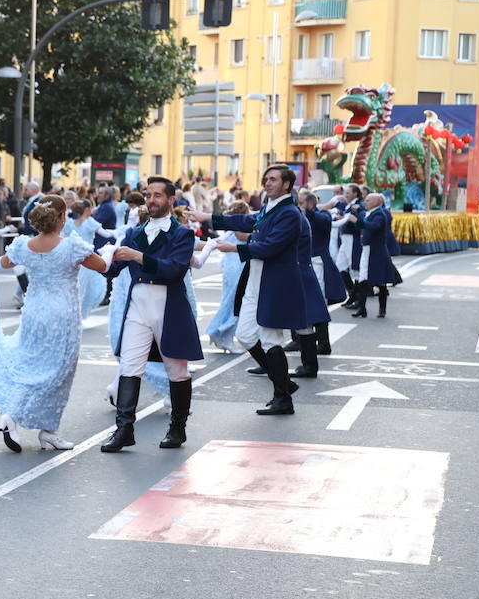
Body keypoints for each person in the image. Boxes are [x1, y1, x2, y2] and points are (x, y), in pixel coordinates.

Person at [0, 195, 107, 451]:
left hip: (34, 312)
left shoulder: (24, 245)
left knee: (30, 365)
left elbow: (1, 263)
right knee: (60, 371)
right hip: (62, 314)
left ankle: (25, 419)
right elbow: (102, 266)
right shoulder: (71, 246)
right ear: (62, 218)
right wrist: (112, 251)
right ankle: (41, 426)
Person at [193, 165, 328, 415]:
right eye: (266, 179)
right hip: (257, 280)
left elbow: (271, 247)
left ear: (287, 184)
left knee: (270, 338)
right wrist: (209, 218)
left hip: (274, 283)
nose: (267, 183)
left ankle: (282, 397)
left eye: (273, 179)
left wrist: (234, 248)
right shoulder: (271, 208)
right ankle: (284, 382)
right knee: (245, 335)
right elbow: (247, 219)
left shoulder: (290, 213)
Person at [100, 178, 201, 451]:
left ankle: (177, 428)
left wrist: (137, 256)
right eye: (148, 195)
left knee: (177, 370)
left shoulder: (183, 234)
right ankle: (124, 430)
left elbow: (174, 269)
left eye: (157, 195)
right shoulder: (135, 233)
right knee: (129, 365)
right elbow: (113, 268)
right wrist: (97, 258)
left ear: (171, 199)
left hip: (170, 308)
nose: (151, 200)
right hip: (138, 305)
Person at [295, 188, 346, 375]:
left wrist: (307, 210)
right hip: (303, 263)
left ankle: (324, 343)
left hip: (318, 263)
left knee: (319, 305)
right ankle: (299, 340)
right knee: (302, 304)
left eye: (300, 203)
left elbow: (322, 221)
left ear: (309, 204)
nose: (297, 206)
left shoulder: (322, 215)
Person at [203, 200, 249, 354]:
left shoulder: (230, 228)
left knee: (231, 302)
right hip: (237, 267)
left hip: (232, 267)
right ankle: (223, 335)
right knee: (234, 304)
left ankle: (222, 334)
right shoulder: (236, 227)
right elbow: (243, 239)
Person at [350, 192, 403, 319]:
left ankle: (382, 309)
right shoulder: (368, 213)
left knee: (380, 281)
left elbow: (374, 226)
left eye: (368, 200)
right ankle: (362, 308)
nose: (365, 202)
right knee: (362, 279)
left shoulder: (380, 214)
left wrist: (358, 222)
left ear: (377, 202)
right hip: (366, 249)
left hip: (376, 252)